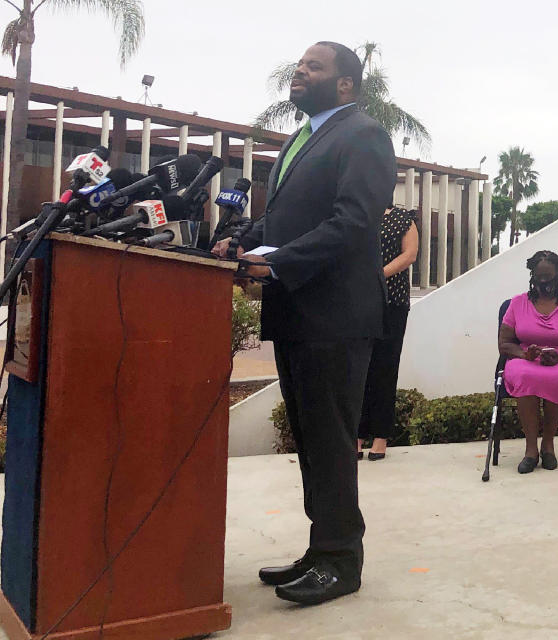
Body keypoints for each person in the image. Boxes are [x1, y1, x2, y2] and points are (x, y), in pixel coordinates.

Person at [213, 41, 396, 606]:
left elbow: (353, 221)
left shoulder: (363, 134)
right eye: (298, 65)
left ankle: (342, 561)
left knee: (332, 442)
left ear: (346, 84)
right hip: (297, 313)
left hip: (335, 315)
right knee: (312, 442)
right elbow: (282, 216)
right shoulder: (303, 138)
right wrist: (240, 239)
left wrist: (280, 260)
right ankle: (322, 549)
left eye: (313, 67)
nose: (299, 72)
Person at [498, 250, 558, 474]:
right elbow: (504, 344)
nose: (545, 282)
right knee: (523, 375)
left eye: (549, 276)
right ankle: (531, 450)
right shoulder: (517, 303)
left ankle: (548, 445)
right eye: (540, 277)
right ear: (532, 276)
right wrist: (524, 354)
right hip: (525, 359)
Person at [357, 206, 420, 460]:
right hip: (358, 303)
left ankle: (381, 436)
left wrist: (377, 276)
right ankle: (357, 435)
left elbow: (410, 255)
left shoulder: (403, 219)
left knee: (385, 367)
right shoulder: (357, 216)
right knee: (359, 370)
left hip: (391, 302)